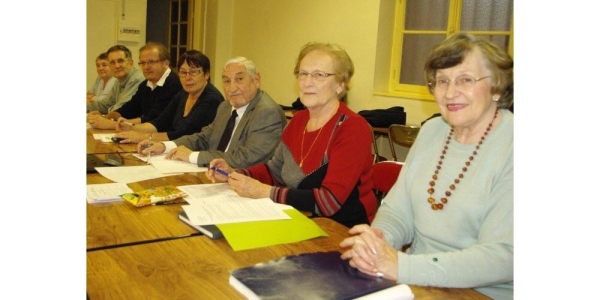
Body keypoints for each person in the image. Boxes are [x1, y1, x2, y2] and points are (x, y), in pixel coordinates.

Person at [339, 32, 514, 299]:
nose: (450, 92)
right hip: (418, 282)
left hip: (481, 292)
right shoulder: (433, 130)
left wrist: (402, 266)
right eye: (442, 81)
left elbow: (504, 256)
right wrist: (377, 243)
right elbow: (398, 210)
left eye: (465, 79)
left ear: (497, 87)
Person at [206, 42, 378, 229]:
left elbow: (329, 202)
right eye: (303, 74)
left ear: (340, 84)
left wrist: (264, 192)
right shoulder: (299, 120)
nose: (307, 82)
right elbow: (274, 172)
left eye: (319, 75)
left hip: (344, 232)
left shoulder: (353, 128)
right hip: (300, 220)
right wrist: (234, 172)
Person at [137, 56, 286, 168]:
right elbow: (204, 138)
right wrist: (165, 146)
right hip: (214, 174)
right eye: (227, 81)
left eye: (239, 79)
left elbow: (246, 158)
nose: (232, 88)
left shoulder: (267, 112)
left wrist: (193, 156)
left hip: (246, 184)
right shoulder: (225, 107)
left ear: (256, 79)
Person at [113, 50, 224, 143]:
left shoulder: (211, 99)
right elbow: (160, 122)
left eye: (194, 72)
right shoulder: (183, 94)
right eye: (183, 72)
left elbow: (184, 135)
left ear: (206, 74)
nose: (188, 77)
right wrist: (132, 127)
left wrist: (143, 137)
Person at [87, 42, 182, 129]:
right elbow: (129, 108)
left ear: (166, 63)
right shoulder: (146, 84)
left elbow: (154, 119)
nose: (146, 67)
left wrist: (112, 124)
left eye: (151, 62)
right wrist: (107, 117)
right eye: (143, 63)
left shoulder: (173, 84)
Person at [86, 45, 145, 114]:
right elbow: (105, 105)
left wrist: (105, 115)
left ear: (131, 63)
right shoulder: (118, 81)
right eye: (112, 62)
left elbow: (121, 109)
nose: (116, 66)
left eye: (120, 61)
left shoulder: (136, 79)